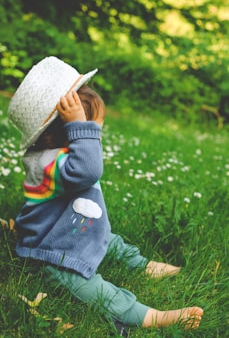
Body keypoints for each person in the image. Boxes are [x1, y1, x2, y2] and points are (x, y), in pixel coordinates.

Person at [8, 56, 203, 332]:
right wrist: (82, 130)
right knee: (91, 288)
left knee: (108, 239)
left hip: (71, 229)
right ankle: (149, 316)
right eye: (89, 130)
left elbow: (87, 162)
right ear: (65, 131)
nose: (95, 138)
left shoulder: (63, 153)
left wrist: (83, 130)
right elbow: (88, 169)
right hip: (53, 252)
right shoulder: (50, 164)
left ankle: (142, 265)